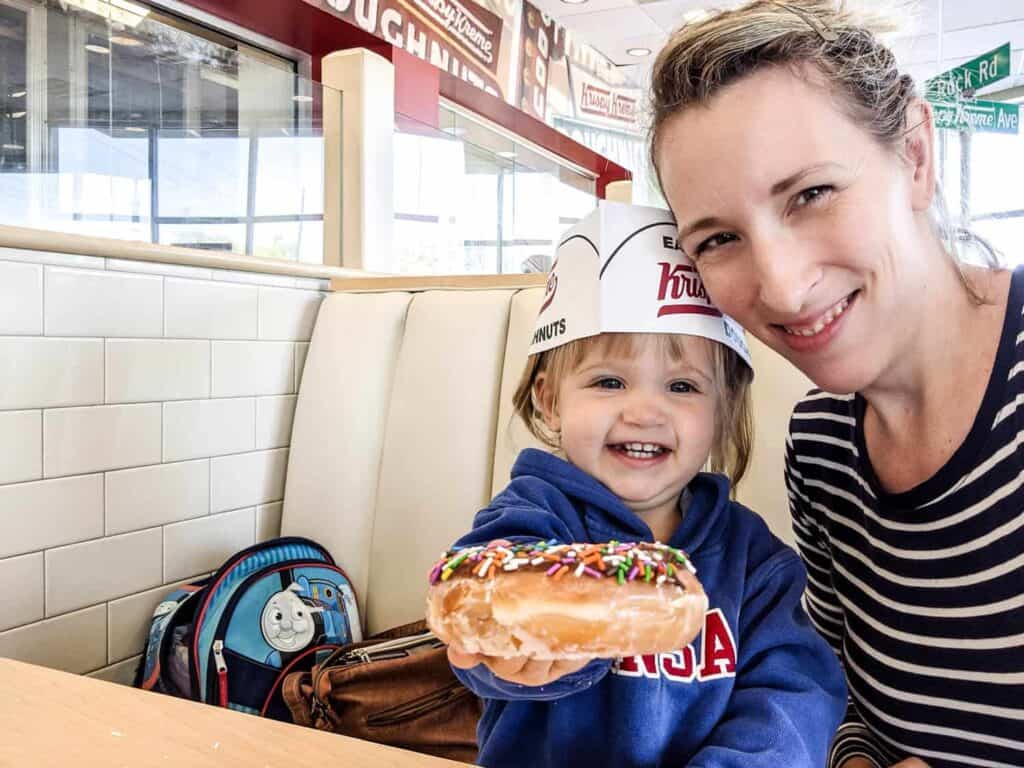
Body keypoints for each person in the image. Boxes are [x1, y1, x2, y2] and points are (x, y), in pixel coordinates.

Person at [647, 2, 1022, 767]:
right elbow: (848, 694)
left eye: (811, 194)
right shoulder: (819, 444)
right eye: (719, 239)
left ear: (915, 155)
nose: (781, 288)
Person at [445, 202, 846, 768]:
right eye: (609, 381)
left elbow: (796, 695)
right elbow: (483, 608)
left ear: (723, 412)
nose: (644, 412)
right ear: (549, 399)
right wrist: (530, 649)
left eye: (682, 386)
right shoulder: (534, 518)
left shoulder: (753, 561)